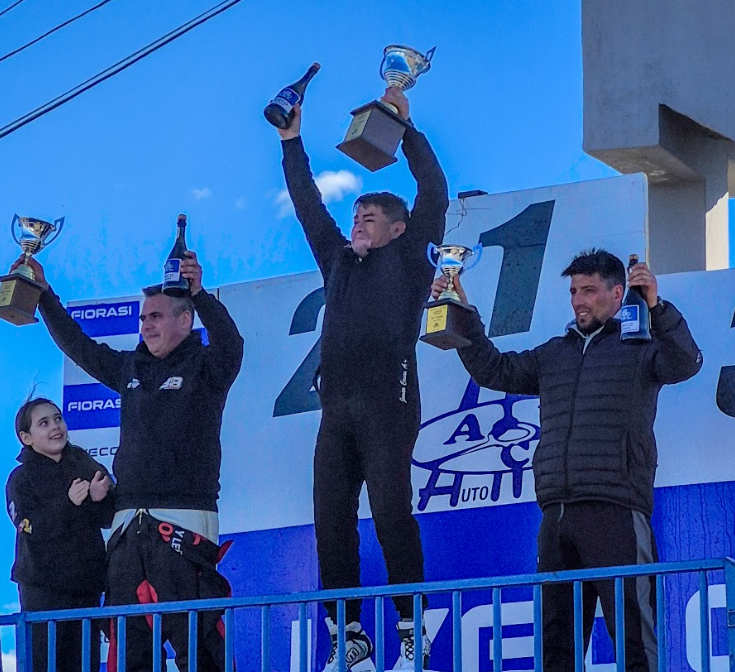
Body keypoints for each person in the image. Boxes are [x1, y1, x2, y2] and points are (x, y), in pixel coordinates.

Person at [431, 248, 703, 671]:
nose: (579, 300)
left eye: (589, 290)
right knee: (557, 647)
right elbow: (493, 370)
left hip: (616, 511)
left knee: (634, 638)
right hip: (556, 515)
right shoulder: (553, 354)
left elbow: (686, 361)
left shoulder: (641, 347)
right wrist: (460, 308)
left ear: (618, 294)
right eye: (574, 291)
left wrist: (657, 305)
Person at [275, 87, 449, 671]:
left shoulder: (411, 257)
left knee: (390, 509)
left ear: (398, 230)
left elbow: (434, 191)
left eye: (369, 218)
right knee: (330, 521)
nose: (357, 225)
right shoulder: (337, 261)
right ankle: (348, 634)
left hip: (388, 403)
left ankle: (413, 625)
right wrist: (291, 141)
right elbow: (308, 205)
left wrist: (407, 128)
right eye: (355, 217)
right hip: (337, 411)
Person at [13, 250, 243, 672]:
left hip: (184, 524)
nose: (146, 325)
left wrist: (200, 294)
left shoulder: (206, 367)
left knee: (199, 645)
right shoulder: (130, 369)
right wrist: (44, 295)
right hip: (125, 532)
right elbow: (79, 346)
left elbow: (232, 344)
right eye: (142, 318)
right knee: (129, 650)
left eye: (156, 316)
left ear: (185, 320)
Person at [6, 396, 114, 671]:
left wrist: (101, 498)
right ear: (26, 437)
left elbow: (108, 518)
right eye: (44, 423)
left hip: (86, 589)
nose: (55, 427)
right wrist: (67, 503)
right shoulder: (21, 478)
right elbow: (28, 526)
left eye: (58, 419)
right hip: (43, 591)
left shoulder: (84, 463)